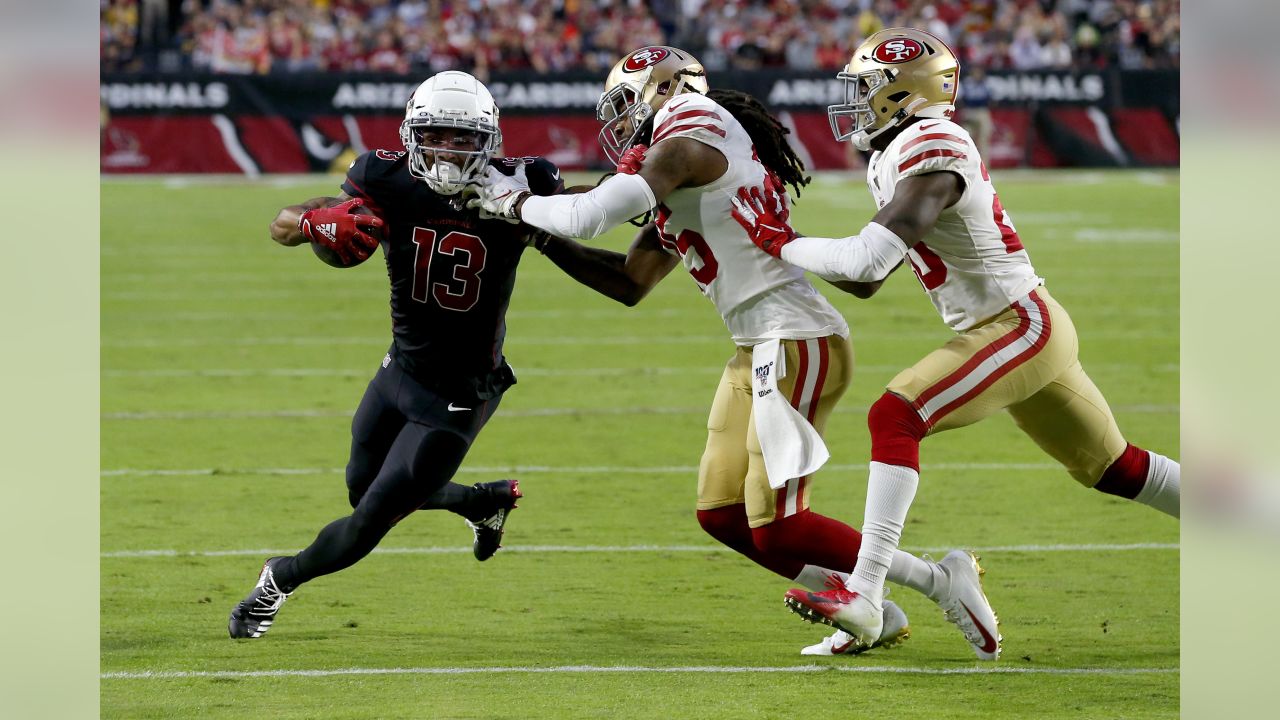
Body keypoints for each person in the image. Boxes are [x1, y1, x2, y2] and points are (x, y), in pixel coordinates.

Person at [470, 45, 996, 658]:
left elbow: (591, 215)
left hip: (795, 338)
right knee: (722, 515)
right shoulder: (689, 155)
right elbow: (630, 281)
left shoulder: (688, 138)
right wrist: (535, 234)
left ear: (661, 89)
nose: (618, 123)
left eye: (624, 103)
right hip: (758, 344)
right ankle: (875, 611)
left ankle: (932, 583)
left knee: (780, 527)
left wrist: (510, 203)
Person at [730, 27, 1180, 656]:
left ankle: (864, 590)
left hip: (1018, 325)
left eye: (867, 89)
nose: (856, 103)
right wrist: (789, 246)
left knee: (896, 414)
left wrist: (778, 241)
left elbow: (864, 265)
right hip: (1008, 327)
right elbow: (865, 279)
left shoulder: (932, 143)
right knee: (1116, 468)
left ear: (903, 93)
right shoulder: (900, 149)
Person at [228, 71, 564, 639]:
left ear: (490, 140)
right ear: (412, 134)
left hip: (460, 394)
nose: (449, 150)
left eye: (464, 138)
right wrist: (315, 223)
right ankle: (481, 503)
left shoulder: (524, 183)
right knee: (364, 488)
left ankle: (276, 581)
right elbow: (281, 223)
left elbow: (585, 214)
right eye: (437, 134)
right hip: (400, 366)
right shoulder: (383, 175)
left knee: (367, 522)